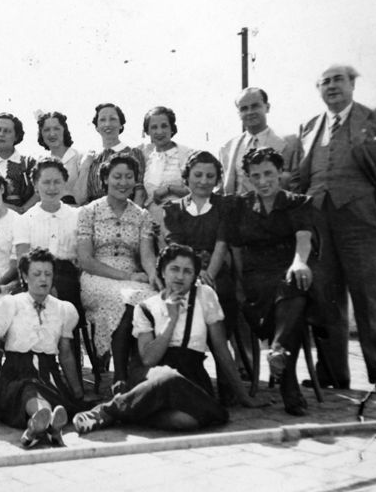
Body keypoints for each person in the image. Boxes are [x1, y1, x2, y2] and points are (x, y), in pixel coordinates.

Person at [291, 65, 376, 396]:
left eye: (338, 80)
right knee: (324, 298)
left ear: (352, 85)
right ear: (319, 89)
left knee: (370, 297)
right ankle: (332, 373)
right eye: (325, 82)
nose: (332, 86)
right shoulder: (309, 127)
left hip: (362, 220)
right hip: (318, 221)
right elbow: (299, 176)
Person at [72, 244, 265, 434]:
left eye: (187, 271)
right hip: (152, 375)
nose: (180, 276)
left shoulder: (205, 296)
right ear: (162, 271)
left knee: (187, 420)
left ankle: (125, 413)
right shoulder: (146, 306)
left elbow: (221, 349)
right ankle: (110, 411)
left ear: (194, 276)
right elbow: (149, 359)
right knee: (168, 377)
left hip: (191, 374)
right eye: (174, 269)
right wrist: (171, 319)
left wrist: (244, 396)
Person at [0, 249, 85, 448]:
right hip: (15, 373)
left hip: (49, 374)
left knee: (44, 390)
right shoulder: (11, 304)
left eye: (48, 274)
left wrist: (77, 391)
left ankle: (37, 426)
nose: (43, 279)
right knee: (29, 388)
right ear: (24, 276)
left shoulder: (64, 309)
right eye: (36, 274)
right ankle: (48, 423)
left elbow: (65, 354)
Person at [228, 147, 315, 415]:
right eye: (255, 176)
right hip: (255, 280)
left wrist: (299, 262)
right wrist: (239, 284)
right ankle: (287, 380)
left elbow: (303, 239)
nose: (263, 181)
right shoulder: (240, 206)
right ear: (248, 177)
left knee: (294, 287)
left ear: (280, 172)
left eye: (268, 173)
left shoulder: (297, 202)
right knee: (292, 304)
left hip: (287, 271)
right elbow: (236, 251)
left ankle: (279, 353)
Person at [163, 150, 238, 399]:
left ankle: (226, 377)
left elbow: (221, 244)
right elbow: (175, 247)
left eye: (210, 176)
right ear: (187, 177)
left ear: (217, 179)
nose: (203, 181)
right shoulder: (174, 209)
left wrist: (208, 276)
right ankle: (187, 374)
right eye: (198, 175)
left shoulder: (224, 206)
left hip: (214, 272)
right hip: (184, 272)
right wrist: (192, 274)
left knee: (220, 294)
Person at [77, 154, 156, 388]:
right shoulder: (89, 212)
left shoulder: (142, 215)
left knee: (148, 300)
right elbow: (85, 260)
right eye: (117, 177)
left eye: (129, 177)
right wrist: (127, 277)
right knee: (125, 301)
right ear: (105, 179)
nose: (123, 183)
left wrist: (154, 276)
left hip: (134, 278)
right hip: (97, 277)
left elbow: (147, 256)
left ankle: (139, 373)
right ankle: (120, 377)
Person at [15, 158, 91, 375]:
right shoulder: (25, 219)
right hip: (33, 276)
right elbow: (22, 259)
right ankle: (39, 368)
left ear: (65, 183)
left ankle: (71, 368)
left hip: (69, 276)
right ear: (36, 185)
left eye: (57, 182)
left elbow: (83, 256)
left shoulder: (77, 216)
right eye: (46, 182)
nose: (51, 188)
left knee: (63, 293)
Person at [220, 87, 300, 195]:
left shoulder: (290, 144)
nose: (250, 112)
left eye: (255, 106)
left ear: (267, 107)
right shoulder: (227, 148)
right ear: (238, 113)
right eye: (244, 109)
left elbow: (296, 185)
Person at [75, 103, 146, 206]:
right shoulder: (90, 158)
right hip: (95, 212)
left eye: (113, 119)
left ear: (121, 124)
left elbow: (140, 194)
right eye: (102, 120)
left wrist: (132, 215)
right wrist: (85, 167)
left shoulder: (133, 153)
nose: (107, 124)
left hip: (125, 211)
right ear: (97, 127)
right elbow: (79, 199)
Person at [139, 106, 191, 225]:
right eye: (154, 127)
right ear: (147, 131)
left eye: (164, 126)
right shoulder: (146, 157)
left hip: (182, 221)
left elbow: (198, 192)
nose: (159, 132)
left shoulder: (186, 154)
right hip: (152, 223)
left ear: (172, 128)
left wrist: (169, 189)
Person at [36, 111, 82, 203]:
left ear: (64, 130)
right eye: (46, 130)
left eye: (56, 128)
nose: (52, 134)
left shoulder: (79, 157)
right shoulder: (41, 162)